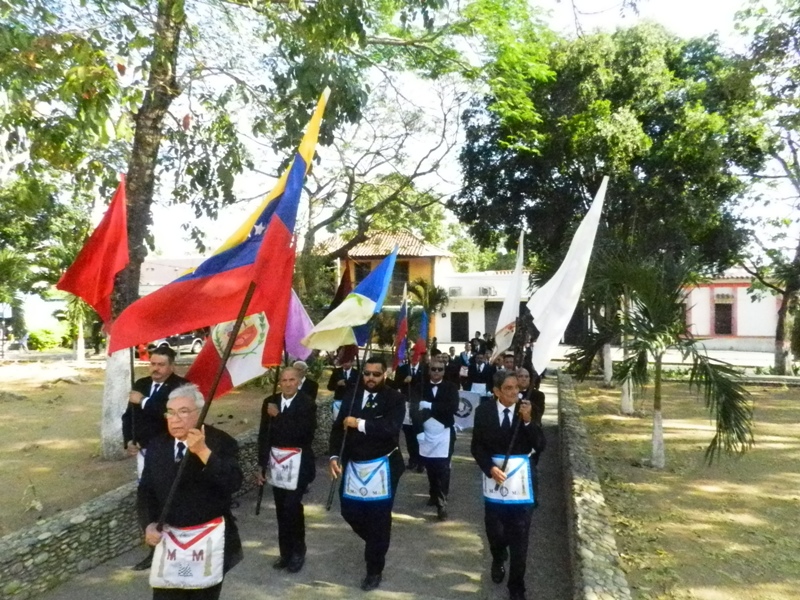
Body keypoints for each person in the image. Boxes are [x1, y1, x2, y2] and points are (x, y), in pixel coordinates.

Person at [137, 384, 243, 600]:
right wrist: (148, 523)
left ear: (199, 413)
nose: (174, 419)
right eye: (170, 412)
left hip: (207, 540)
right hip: (170, 541)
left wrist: (203, 453)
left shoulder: (221, 442)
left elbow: (233, 482)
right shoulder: (157, 445)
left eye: (183, 412)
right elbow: (146, 490)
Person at [328, 356, 405, 591]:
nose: (371, 378)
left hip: (383, 465)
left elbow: (391, 428)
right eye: (367, 373)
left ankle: (374, 569)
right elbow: (338, 428)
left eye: (376, 374)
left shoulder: (394, 398)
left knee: (379, 519)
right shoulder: (352, 395)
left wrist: (360, 423)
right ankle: (377, 541)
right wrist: (334, 456)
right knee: (349, 510)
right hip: (354, 464)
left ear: (385, 375)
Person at [471, 371, 545, 600]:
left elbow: (540, 445)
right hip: (495, 481)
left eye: (517, 388)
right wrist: (489, 468)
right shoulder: (483, 412)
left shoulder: (528, 409)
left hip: (521, 485)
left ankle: (516, 587)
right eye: (508, 388)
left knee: (520, 537)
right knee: (495, 532)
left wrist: (528, 421)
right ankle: (498, 556)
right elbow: (477, 446)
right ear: (496, 391)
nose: (515, 392)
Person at [123, 346, 188, 571]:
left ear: (171, 366)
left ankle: (177, 548)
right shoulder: (141, 384)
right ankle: (153, 550)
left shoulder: (180, 387)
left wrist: (143, 401)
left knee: (170, 498)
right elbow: (128, 416)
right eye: (153, 364)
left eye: (161, 365)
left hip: (169, 454)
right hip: (144, 453)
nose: (156, 369)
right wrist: (129, 440)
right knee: (147, 498)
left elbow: (167, 413)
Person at [257, 367, 316, 573]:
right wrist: (261, 465)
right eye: (284, 380)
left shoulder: (307, 403)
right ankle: (285, 552)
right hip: (277, 464)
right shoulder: (270, 402)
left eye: (292, 380)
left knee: (292, 507)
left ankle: (298, 551)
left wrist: (279, 416)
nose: (288, 384)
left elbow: (304, 434)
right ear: (279, 382)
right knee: (281, 508)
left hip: (298, 464)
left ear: (298, 381)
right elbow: (264, 435)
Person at [411, 357, 459, 521]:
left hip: (444, 433)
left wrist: (431, 406)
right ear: (429, 370)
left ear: (444, 371)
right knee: (430, 466)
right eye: (433, 369)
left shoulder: (451, 387)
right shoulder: (420, 386)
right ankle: (433, 493)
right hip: (426, 432)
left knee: (443, 468)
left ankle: (441, 504)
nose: (436, 372)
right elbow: (414, 409)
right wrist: (418, 431)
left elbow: (452, 407)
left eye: (440, 369)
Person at [392, 355, 426, 472]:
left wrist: (414, 380)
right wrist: (404, 381)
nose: (414, 358)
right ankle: (412, 460)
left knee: (419, 433)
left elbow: (426, 385)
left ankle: (421, 461)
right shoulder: (403, 369)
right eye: (411, 355)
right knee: (409, 434)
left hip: (419, 404)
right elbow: (395, 384)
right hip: (406, 403)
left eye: (416, 355)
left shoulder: (425, 369)